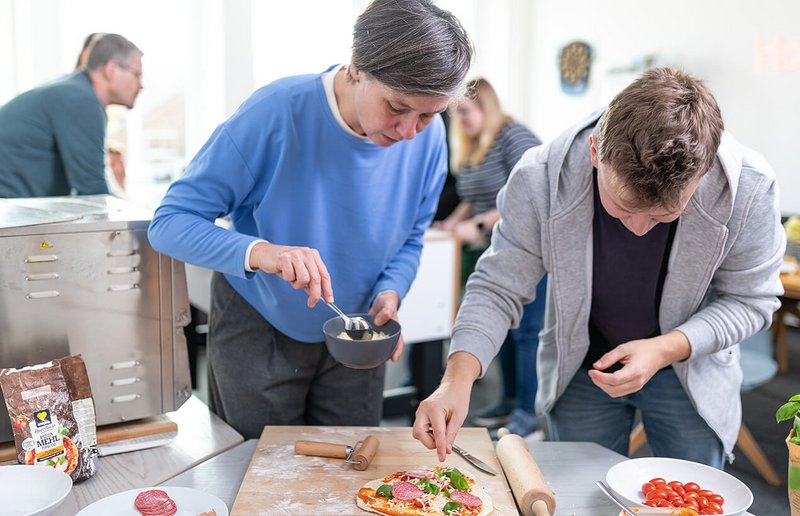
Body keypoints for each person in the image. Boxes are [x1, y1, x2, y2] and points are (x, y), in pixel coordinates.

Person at [413, 68, 785, 469]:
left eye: (664, 216)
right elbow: (498, 285)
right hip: (582, 365)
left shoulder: (749, 188)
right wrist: (457, 379)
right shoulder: (539, 177)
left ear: (704, 173)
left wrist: (666, 348)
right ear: (595, 152)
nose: (639, 230)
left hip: (691, 368)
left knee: (689, 494)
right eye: (622, 208)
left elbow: (751, 301)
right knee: (583, 494)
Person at [148, 0, 472, 440]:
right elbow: (170, 222)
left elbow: (412, 238)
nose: (409, 132)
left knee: (351, 465)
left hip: (358, 337)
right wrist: (262, 252)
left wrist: (391, 290)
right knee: (257, 467)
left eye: (428, 115)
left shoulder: (429, 140)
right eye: (396, 107)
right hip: (259, 325)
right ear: (357, 67)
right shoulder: (275, 113)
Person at [434, 78, 546, 437]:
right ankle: (508, 400)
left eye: (466, 111)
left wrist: (480, 224)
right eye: (457, 113)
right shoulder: (473, 146)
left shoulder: (514, 137)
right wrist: (452, 223)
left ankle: (528, 414)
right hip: (496, 247)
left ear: (486, 107)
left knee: (527, 333)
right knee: (503, 331)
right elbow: (474, 195)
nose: (461, 119)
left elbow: (530, 193)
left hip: (531, 248)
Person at [0, 33, 142, 198]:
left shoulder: (71, 91)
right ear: (111, 70)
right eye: (137, 75)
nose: (141, 85)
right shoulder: (81, 101)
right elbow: (93, 191)